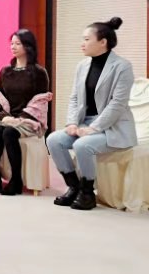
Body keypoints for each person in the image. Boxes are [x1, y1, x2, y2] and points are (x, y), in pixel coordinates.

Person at [46, 17, 137, 211]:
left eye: (87, 39)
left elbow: (117, 104)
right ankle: (74, 187)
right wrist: (72, 123)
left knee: (82, 145)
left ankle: (88, 193)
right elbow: (74, 98)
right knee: (53, 139)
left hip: (113, 127)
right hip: (84, 123)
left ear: (103, 42)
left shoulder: (122, 66)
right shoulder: (82, 66)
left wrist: (93, 128)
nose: (82, 43)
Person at [0, 29, 51, 195]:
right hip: (8, 118)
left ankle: (16, 180)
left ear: (28, 46)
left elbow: (40, 102)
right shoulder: (5, 71)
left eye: (18, 43)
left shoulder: (39, 73)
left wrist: (20, 119)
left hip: (30, 119)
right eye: (12, 43)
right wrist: (5, 117)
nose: (13, 47)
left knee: (9, 132)